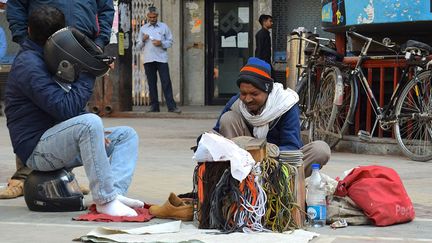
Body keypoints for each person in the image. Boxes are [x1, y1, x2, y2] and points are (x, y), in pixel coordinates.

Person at [4, 6, 143, 216]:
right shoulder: (29, 65)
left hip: (58, 139)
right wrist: (88, 71)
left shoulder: (51, 55)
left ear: (29, 30)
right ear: (62, 31)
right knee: (90, 122)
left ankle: (114, 192)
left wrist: (92, 134)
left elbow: (68, 107)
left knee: (126, 135)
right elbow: (65, 108)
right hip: (36, 150)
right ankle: (105, 199)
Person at [0, 0, 114, 199]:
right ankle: (23, 178)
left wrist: (99, 42)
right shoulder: (30, 62)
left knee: (73, 107)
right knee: (36, 107)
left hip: (77, 47)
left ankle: (65, 178)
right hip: (42, 43)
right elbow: (16, 5)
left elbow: (105, 8)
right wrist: (24, 37)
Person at [213, 57, 330, 177]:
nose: (247, 99)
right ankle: (240, 182)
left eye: (254, 94)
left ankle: (280, 184)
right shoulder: (236, 103)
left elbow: (291, 147)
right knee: (228, 118)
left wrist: (265, 152)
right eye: (243, 93)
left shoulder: (285, 104)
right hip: (245, 164)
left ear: (267, 90)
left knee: (320, 150)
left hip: (279, 165)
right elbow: (215, 136)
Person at [136, 6, 181, 114]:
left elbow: (170, 41)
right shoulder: (143, 29)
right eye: (150, 17)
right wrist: (143, 39)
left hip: (161, 59)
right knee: (151, 83)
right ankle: (154, 107)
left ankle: (172, 107)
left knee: (166, 83)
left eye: (154, 17)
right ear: (147, 16)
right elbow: (138, 46)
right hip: (148, 59)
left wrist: (161, 43)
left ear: (157, 16)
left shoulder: (164, 27)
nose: (152, 19)